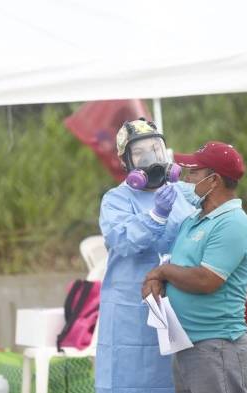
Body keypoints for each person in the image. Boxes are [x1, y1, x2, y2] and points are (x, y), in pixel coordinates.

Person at [141, 141, 247, 393]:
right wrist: (158, 279)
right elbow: (179, 265)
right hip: (187, 343)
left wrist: (161, 272)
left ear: (213, 180)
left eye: (193, 172)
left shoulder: (232, 223)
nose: (186, 178)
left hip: (216, 347)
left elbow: (206, 280)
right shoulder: (193, 220)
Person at [96, 119, 194, 393]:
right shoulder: (116, 200)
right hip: (131, 310)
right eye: (140, 153)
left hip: (178, 302)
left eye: (156, 149)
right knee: (130, 381)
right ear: (126, 162)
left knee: (175, 380)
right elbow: (123, 241)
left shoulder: (184, 194)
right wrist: (155, 216)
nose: (152, 158)